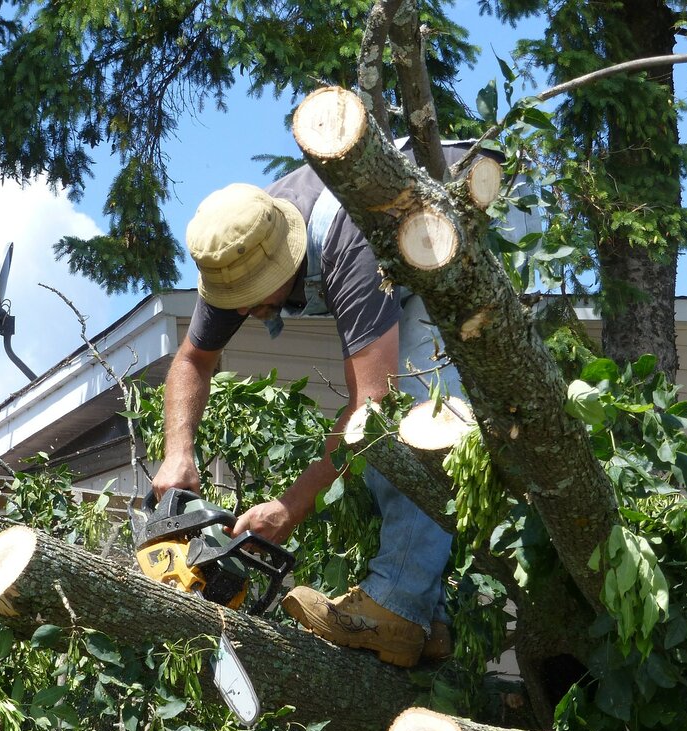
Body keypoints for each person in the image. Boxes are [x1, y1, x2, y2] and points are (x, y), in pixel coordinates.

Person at [152, 164, 462, 668]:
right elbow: (191, 361)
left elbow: (371, 408)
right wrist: (177, 453)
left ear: (286, 261)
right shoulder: (236, 248)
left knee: (414, 413)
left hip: (439, 235)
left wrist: (290, 505)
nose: (247, 313)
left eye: (254, 301)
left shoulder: (349, 242)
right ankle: (430, 619)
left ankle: (400, 607)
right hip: (395, 262)